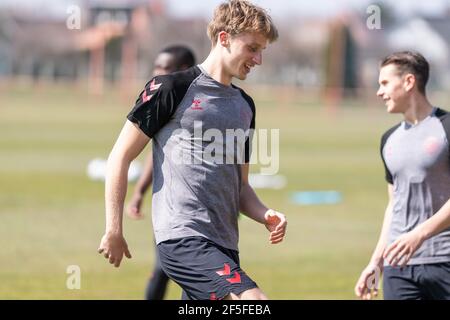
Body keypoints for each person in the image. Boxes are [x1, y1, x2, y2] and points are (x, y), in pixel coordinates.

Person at [98, 0, 287, 300]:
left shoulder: (245, 106)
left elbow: (241, 187)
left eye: (262, 50)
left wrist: (265, 214)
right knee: (253, 302)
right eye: (252, 48)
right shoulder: (171, 88)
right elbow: (119, 157)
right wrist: (114, 228)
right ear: (224, 38)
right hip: (183, 239)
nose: (259, 59)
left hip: (225, 244)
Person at [355, 51, 450, 300]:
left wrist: (419, 235)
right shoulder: (389, 140)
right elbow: (394, 206)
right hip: (398, 267)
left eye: (385, 83)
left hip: (444, 260)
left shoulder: (447, 128)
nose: (379, 91)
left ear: (409, 82)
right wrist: (377, 261)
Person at [126, 45, 196, 300]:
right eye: (155, 67)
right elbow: (153, 157)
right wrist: (139, 192)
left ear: (184, 70)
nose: (157, 73)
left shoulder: (197, 104)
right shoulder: (162, 98)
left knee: (196, 280)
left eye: (164, 68)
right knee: (162, 269)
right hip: (170, 209)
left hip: (207, 212)